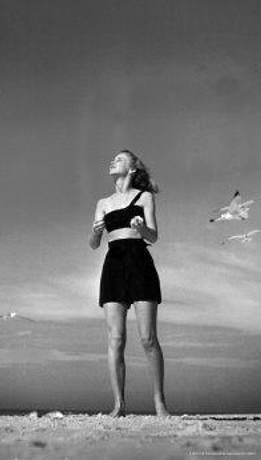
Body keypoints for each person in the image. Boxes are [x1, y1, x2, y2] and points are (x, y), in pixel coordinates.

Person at [90, 150, 170, 417]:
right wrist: (95, 232)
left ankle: (159, 403)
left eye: (120, 159)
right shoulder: (102, 202)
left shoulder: (145, 197)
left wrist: (141, 227)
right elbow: (93, 244)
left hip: (139, 262)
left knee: (148, 338)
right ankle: (119, 405)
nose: (113, 161)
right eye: (112, 159)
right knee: (116, 338)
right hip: (113, 265)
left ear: (132, 169)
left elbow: (153, 236)